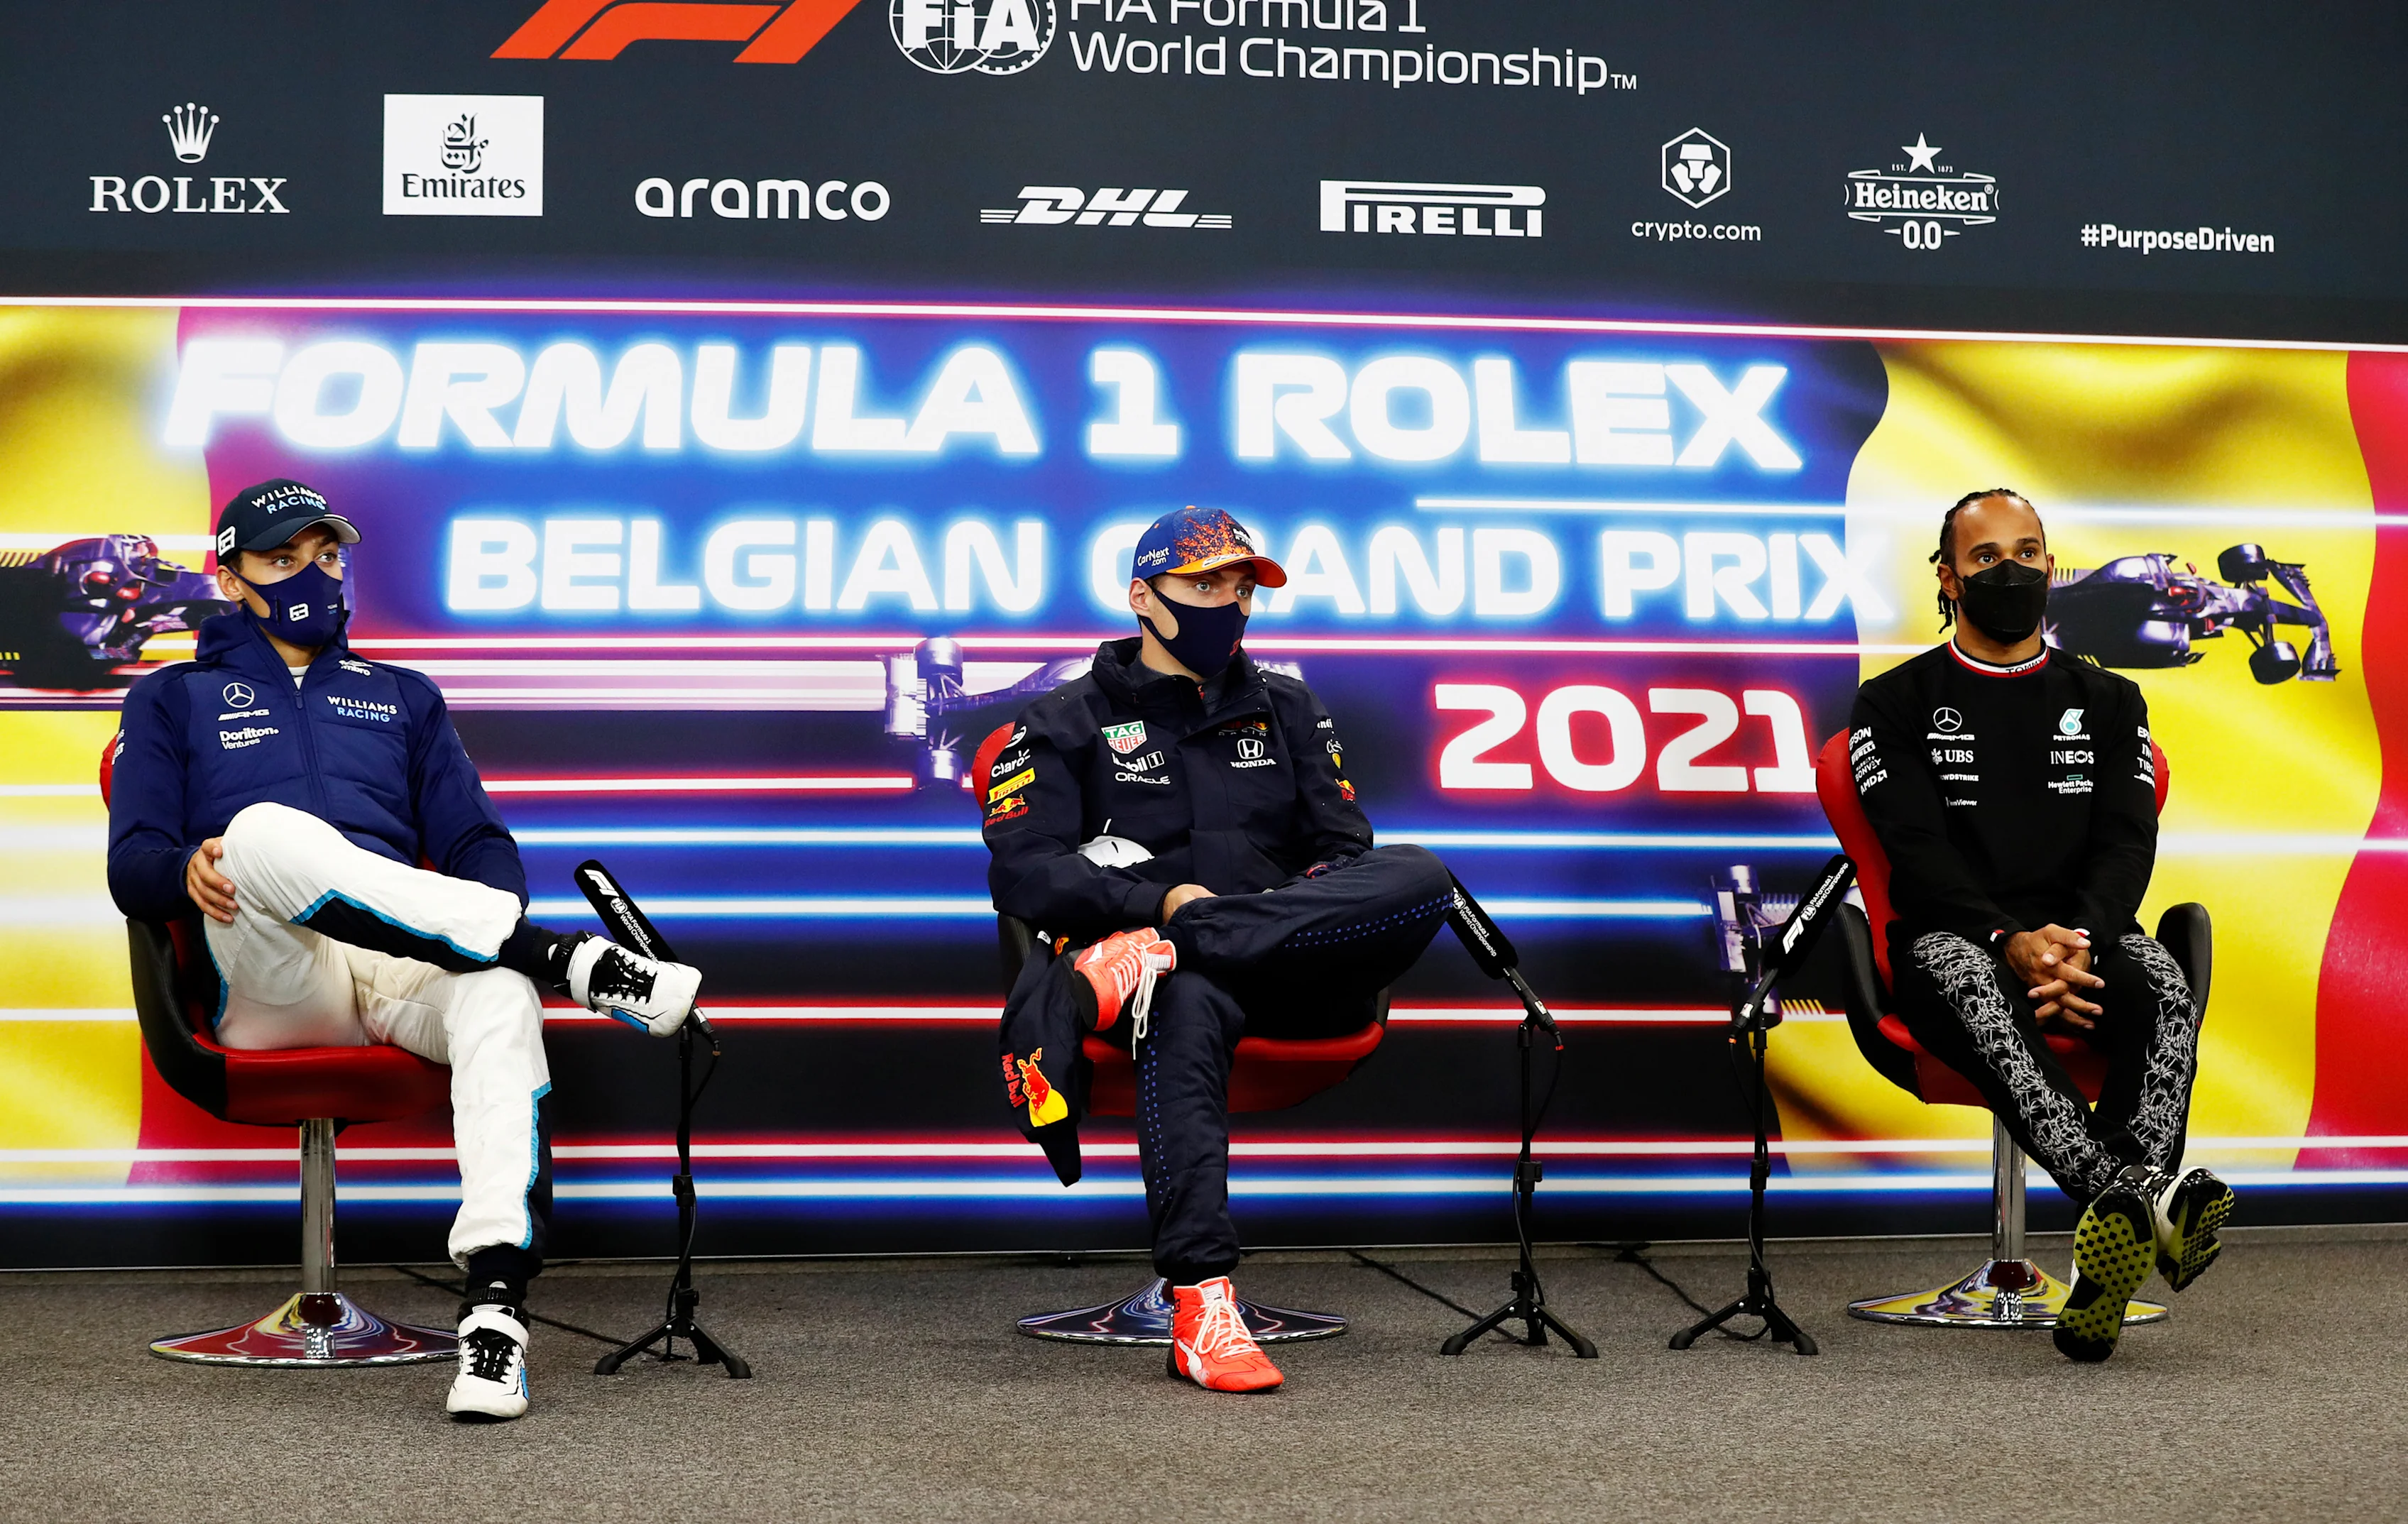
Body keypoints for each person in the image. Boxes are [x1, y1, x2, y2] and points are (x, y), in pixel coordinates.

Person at [106, 479, 705, 1422]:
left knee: (501, 994)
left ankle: (495, 1315)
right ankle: (573, 960)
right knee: (260, 829)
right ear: (231, 580)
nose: (316, 574)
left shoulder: (402, 695)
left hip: (398, 957)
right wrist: (183, 864)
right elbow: (131, 863)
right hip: (270, 965)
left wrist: (488, 917)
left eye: (328, 555)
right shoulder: (172, 699)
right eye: (283, 558)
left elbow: (479, 847)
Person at [985, 505, 1454, 1393]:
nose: (1228, 604)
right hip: (1171, 991)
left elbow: (1346, 851)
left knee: (1420, 872)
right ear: (1143, 598)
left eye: (1240, 589)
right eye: (1205, 585)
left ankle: (1162, 951)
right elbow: (1024, 871)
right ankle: (1202, 1298)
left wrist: (1196, 927)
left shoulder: (1288, 705)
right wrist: (1154, 898)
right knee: (1188, 997)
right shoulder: (1060, 720)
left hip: (1293, 969)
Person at [1849, 488, 2235, 1363]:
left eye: (2027, 553)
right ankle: (2138, 1198)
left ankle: (2108, 1264)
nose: (2010, 571)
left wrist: (2081, 938)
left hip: (2087, 936)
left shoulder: (2110, 699)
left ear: (2051, 569)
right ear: (1947, 578)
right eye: (1985, 558)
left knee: (2165, 987)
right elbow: (1914, 851)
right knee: (1971, 978)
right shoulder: (1893, 701)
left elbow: (2126, 839)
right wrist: (2007, 939)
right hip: (1954, 938)